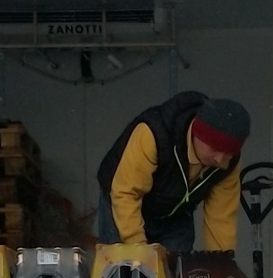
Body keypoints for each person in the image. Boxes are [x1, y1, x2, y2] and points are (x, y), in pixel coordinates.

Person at [96, 91, 249, 254]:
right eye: (214, 149)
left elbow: (221, 218)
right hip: (123, 203)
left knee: (178, 273)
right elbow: (126, 193)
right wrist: (140, 252)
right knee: (126, 270)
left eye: (228, 152)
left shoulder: (229, 163)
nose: (220, 159)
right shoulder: (154, 134)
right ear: (197, 134)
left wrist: (222, 265)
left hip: (176, 214)